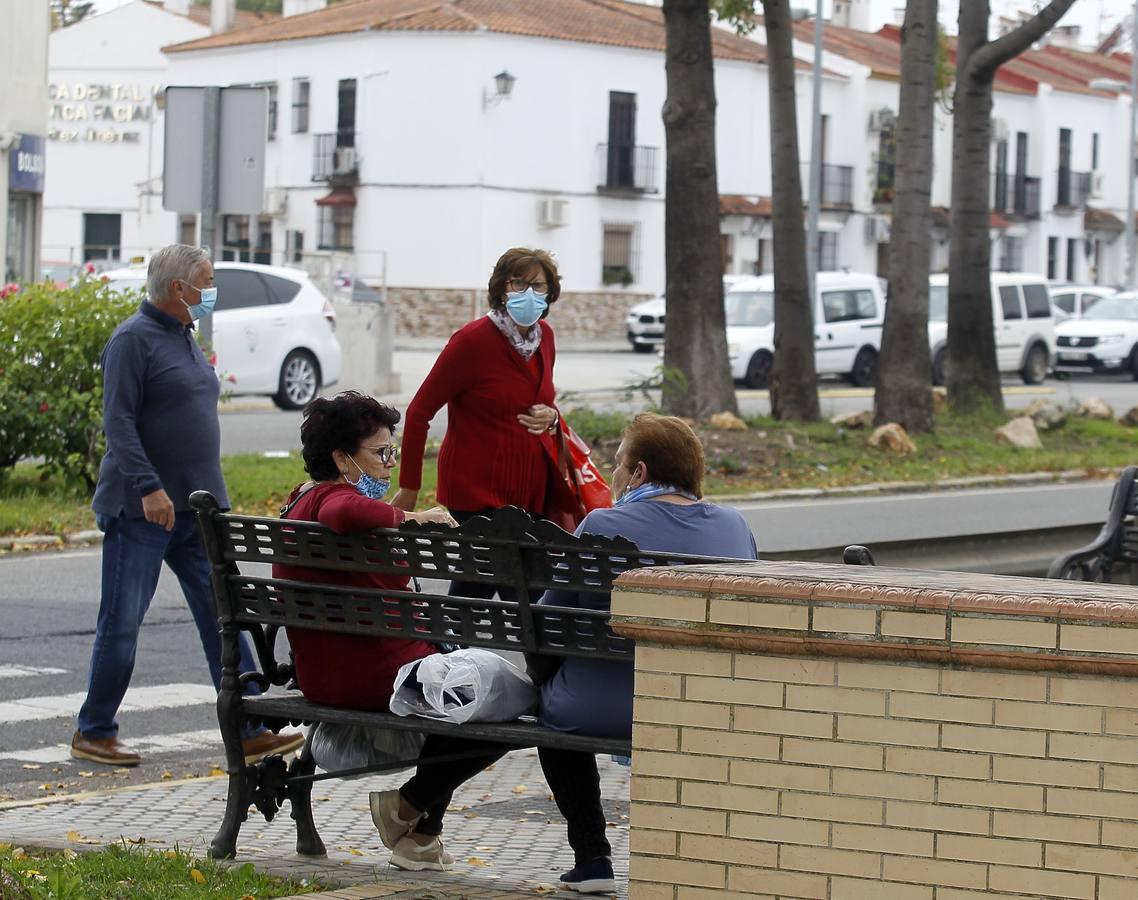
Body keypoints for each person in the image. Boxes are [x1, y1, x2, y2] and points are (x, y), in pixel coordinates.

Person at [73, 244, 304, 767]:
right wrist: (150, 487)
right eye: (207, 281)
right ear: (179, 288)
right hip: (144, 509)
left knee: (224, 616)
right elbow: (119, 424)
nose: (212, 290)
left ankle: (251, 727)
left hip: (197, 511)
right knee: (123, 619)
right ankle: (94, 729)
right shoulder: (133, 340)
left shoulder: (184, 335)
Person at [274, 391, 509, 872]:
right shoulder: (336, 503)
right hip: (379, 678)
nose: (388, 465)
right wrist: (411, 517)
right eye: (380, 453)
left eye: (391, 452)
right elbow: (344, 513)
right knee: (506, 707)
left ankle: (419, 840)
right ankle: (407, 811)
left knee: (460, 682)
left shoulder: (300, 499)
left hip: (325, 674)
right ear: (341, 458)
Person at [535, 413, 759, 894]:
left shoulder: (602, 523)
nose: (613, 474)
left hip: (596, 708)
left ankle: (593, 857)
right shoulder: (734, 527)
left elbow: (548, 619)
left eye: (617, 464)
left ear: (639, 473)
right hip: (700, 705)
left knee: (550, 714)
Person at [391, 247, 562, 596]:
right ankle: (455, 646)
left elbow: (541, 400)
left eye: (539, 286)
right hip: (477, 494)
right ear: (502, 288)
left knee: (526, 599)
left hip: (530, 494)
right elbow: (419, 411)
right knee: (502, 591)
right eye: (519, 284)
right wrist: (410, 486)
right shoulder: (472, 341)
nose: (529, 294)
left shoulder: (545, 339)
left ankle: (454, 645)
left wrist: (553, 415)